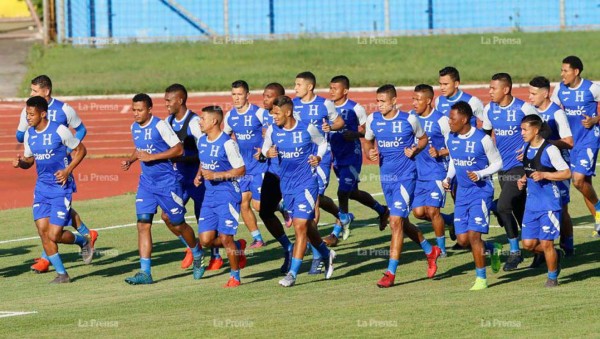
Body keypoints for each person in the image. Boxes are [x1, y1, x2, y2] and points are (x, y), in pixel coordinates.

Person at [15, 75, 97, 274]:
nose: (31, 94)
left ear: (46, 91)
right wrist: (23, 158)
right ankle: (78, 245)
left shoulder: (63, 112)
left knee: (55, 229)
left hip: (61, 178)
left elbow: (81, 133)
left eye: (34, 91)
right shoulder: (29, 117)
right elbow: (21, 138)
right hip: (43, 184)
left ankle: (55, 255)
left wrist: (67, 151)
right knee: (47, 228)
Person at [363, 84, 441, 288]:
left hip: (406, 177)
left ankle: (390, 273)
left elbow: (423, 139)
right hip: (386, 178)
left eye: (382, 101)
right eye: (377, 101)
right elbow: (368, 141)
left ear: (394, 101)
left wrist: (415, 149)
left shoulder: (409, 119)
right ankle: (429, 250)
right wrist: (369, 152)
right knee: (401, 221)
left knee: (395, 221)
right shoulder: (373, 120)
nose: (378, 105)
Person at [121, 93, 204, 285]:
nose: (136, 113)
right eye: (133, 110)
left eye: (139, 110)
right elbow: (140, 148)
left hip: (167, 184)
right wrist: (131, 160)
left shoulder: (160, 125)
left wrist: (153, 157)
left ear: (149, 109)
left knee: (178, 223)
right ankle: (145, 273)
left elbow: (178, 149)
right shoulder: (134, 127)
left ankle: (197, 251)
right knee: (143, 224)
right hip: (146, 185)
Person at [261, 95, 336, 287]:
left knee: (300, 226)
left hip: (307, 184)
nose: (273, 117)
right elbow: (264, 150)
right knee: (307, 226)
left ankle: (292, 274)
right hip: (286, 187)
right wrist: (266, 153)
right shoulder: (273, 130)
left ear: (288, 112)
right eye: (272, 113)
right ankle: (327, 254)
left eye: (276, 113)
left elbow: (323, 144)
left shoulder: (307, 128)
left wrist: (318, 158)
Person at [322, 75, 390, 247]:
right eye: (330, 88)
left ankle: (336, 232)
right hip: (335, 157)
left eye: (335, 88)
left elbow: (368, 132)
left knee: (342, 192)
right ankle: (382, 210)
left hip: (352, 156)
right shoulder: (326, 108)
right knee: (353, 192)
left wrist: (356, 136)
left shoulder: (356, 109)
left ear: (345, 91)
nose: (331, 91)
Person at [481, 72, 539, 271]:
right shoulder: (489, 110)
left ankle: (515, 252)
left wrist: (528, 152)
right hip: (502, 169)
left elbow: (544, 131)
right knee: (519, 210)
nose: (489, 92)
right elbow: (485, 136)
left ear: (505, 90)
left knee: (503, 206)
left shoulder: (524, 108)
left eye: (493, 88)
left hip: (519, 167)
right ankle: (543, 251)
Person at [443, 101, 503, 290]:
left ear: (465, 119)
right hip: (462, 192)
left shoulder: (482, 139)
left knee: (474, 236)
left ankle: (481, 279)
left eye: (452, 118)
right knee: (462, 240)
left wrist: (480, 174)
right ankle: (493, 248)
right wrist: (449, 177)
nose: (449, 121)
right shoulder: (451, 137)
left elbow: (498, 163)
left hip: (481, 191)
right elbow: (454, 159)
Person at [292, 71, 344, 274]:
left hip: (320, 159)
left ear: (310, 86)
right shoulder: (293, 106)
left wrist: (330, 126)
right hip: (300, 160)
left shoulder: (325, 104)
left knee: (313, 204)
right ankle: (342, 215)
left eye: (298, 84)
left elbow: (339, 122)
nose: (295, 88)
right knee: (314, 200)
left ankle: (318, 256)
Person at [195, 105, 248, 288]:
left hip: (228, 194)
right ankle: (238, 248)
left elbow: (241, 170)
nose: (200, 121)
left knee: (226, 238)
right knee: (205, 240)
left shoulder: (227, 143)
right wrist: (199, 174)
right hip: (209, 195)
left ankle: (235, 277)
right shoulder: (201, 141)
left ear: (214, 121)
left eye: (203, 119)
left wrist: (217, 176)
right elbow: (204, 162)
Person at [517, 114, 570, 287]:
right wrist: (523, 179)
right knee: (528, 244)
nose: (522, 133)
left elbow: (566, 172)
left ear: (536, 129)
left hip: (549, 204)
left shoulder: (550, 150)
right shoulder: (526, 147)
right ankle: (555, 254)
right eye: (521, 129)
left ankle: (552, 277)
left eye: (525, 129)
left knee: (546, 243)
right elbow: (531, 169)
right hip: (532, 205)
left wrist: (545, 175)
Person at [550, 56, 600, 237]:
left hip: (588, 140)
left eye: (565, 70)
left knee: (577, 180)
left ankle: (599, 208)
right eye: (561, 70)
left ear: (576, 71)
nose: (562, 74)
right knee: (585, 184)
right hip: (569, 143)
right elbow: (552, 111)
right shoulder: (560, 89)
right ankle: (599, 220)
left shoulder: (592, 88)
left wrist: (595, 119)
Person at [162, 83, 209, 270]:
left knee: (203, 220)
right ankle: (192, 247)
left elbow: (205, 152)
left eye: (168, 100)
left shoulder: (194, 123)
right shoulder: (168, 122)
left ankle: (216, 255)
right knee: (167, 216)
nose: (166, 104)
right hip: (178, 179)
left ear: (180, 100)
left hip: (197, 177)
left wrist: (181, 156)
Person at [528, 76, 574, 259]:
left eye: (533, 93)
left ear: (546, 93)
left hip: (557, 167)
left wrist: (546, 144)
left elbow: (569, 142)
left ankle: (568, 245)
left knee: (561, 208)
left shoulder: (556, 113)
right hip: (535, 169)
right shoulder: (530, 111)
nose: (529, 97)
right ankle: (544, 252)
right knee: (538, 207)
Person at [435, 66, 485, 236]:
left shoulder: (472, 102)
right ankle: (459, 228)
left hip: (467, 157)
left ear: (456, 83)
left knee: (463, 192)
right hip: (446, 156)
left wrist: (479, 147)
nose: (442, 87)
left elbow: (486, 124)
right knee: (454, 193)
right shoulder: (438, 101)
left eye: (445, 84)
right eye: (440, 84)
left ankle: (469, 232)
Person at [254, 82, 294, 274]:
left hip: (296, 175)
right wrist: (263, 154)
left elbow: (316, 143)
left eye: (269, 96)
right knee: (264, 212)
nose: (265, 99)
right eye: (264, 95)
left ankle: (318, 253)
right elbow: (263, 152)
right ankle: (288, 247)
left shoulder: (298, 121)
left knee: (306, 219)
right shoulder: (267, 121)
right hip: (274, 174)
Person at [223, 80, 267, 249]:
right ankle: (257, 238)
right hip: (243, 167)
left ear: (247, 95)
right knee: (242, 202)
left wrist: (264, 148)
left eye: (239, 94)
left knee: (258, 206)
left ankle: (283, 208)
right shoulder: (230, 116)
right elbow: (225, 139)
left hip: (260, 166)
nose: (236, 98)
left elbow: (273, 131)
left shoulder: (259, 113)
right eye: (233, 94)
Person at [410, 84, 451, 257]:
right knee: (419, 213)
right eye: (413, 98)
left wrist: (441, 152)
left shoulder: (441, 120)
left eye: (418, 99)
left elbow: (455, 145)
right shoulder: (411, 118)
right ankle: (450, 222)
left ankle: (441, 249)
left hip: (437, 171)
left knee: (433, 211)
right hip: (418, 173)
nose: (414, 103)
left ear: (428, 101)